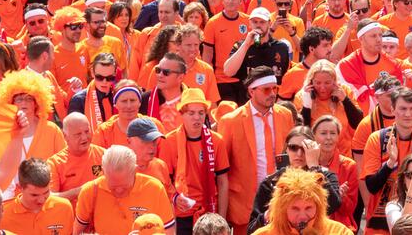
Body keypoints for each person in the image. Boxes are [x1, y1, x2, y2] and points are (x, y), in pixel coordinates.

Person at [217, 66, 295, 235]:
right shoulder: (230, 121)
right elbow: (222, 166)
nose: (272, 93)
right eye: (266, 89)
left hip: (280, 199)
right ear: (251, 91)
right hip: (244, 204)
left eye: (275, 88)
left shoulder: (286, 115)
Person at [362, 87, 412, 234]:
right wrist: (390, 164)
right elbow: (372, 186)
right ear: (392, 110)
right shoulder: (377, 139)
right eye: (403, 108)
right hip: (379, 223)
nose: (408, 114)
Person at [159, 88, 230, 235]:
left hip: (209, 213)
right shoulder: (169, 141)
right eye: (191, 113)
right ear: (182, 114)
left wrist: (221, 218)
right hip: (180, 214)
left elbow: (223, 181)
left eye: (201, 113)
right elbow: (164, 180)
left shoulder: (216, 141)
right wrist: (175, 197)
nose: (196, 118)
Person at [247, 126, 342, 233]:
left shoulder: (324, 176)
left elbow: (333, 205)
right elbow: (251, 229)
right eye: (293, 147)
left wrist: (314, 167)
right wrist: (269, 214)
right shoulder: (272, 182)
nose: (299, 154)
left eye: (304, 148)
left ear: (314, 150)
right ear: (286, 149)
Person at [74, 144, 176, 234]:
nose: (119, 190)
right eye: (113, 187)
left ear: (135, 171)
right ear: (103, 172)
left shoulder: (154, 189)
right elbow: (77, 232)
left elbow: (169, 231)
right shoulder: (90, 192)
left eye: (124, 186)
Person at [251, 168, 352, 235]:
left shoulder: (339, 232)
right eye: (295, 209)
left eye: (308, 208)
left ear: (319, 207)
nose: (302, 216)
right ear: (282, 208)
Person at [1, 158, 75, 234]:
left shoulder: (64, 208)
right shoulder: (2, 214)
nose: (41, 200)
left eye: (46, 192)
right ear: (20, 188)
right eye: (34, 195)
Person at [48, 113, 106, 204]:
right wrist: (79, 191)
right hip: (72, 216)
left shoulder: (105, 155)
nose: (84, 137)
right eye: (78, 134)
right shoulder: (54, 163)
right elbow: (50, 198)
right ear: (65, 136)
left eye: (87, 131)